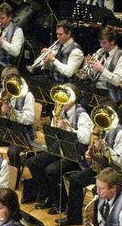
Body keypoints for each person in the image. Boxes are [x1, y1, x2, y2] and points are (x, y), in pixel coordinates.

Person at [57, 99, 122, 226]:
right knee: (75, 179)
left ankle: (97, 225)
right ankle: (74, 218)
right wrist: (90, 155)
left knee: (98, 189)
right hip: (100, 169)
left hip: (115, 174)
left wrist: (105, 149)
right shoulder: (101, 130)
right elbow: (95, 152)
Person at [26, 84, 92, 212]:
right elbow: (53, 134)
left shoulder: (82, 114)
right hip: (60, 149)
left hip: (77, 155)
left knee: (52, 170)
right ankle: (47, 196)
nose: (60, 101)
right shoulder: (59, 111)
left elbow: (86, 138)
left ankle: (61, 203)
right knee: (33, 162)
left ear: (72, 99)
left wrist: (68, 129)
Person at [0, 66, 35, 168]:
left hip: (22, 133)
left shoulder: (27, 95)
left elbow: (29, 119)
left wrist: (11, 112)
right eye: (3, 82)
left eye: (8, 82)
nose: (5, 86)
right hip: (3, 130)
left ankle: (15, 177)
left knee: (12, 152)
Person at [82, 27, 122, 104]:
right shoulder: (100, 52)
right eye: (100, 42)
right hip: (95, 89)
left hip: (111, 94)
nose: (101, 45)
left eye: (104, 42)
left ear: (113, 41)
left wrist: (102, 69)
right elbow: (89, 75)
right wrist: (88, 65)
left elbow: (117, 81)